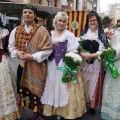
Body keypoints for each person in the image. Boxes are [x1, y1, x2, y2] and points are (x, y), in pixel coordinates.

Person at [41, 12, 89, 120]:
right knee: (52, 86)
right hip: (52, 65)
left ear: (66, 23)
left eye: (64, 21)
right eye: (60, 20)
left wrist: (70, 68)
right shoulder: (50, 34)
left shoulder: (69, 35)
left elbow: (72, 52)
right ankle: (56, 111)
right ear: (55, 21)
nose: (61, 23)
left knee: (65, 88)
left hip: (64, 65)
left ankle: (64, 112)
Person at [8, 4, 53, 120]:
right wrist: (17, 53)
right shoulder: (15, 30)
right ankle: (35, 113)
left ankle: (41, 115)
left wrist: (32, 56)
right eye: (25, 12)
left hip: (37, 67)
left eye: (30, 12)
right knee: (26, 92)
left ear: (34, 15)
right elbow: (10, 47)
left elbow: (48, 50)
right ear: (23, 15)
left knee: (38, 92)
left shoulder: (42, 30)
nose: (27, 14)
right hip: (22, 66)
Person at [79, 10, 108, 115]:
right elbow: (79, 47)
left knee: (93, 84)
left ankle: (92, 106)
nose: (92, 22)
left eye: (94, 20)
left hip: (96, 64)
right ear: (87, 22)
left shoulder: (102, 35)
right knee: (84, 83)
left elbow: (103, 51)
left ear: (98, 21)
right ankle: (83, 104)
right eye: (90, 20)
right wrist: (82, 54)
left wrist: (90, 56)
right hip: (83, 63)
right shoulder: (83, 33)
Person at [0, 17, 20, 119]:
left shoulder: (4, 32)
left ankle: (7, 112)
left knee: (4, 84)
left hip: (2, 61)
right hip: (2, 59)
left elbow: (10, 46)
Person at [101, 27, 120, 120]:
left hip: (116, 64)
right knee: (111, 88)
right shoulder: (116, 31)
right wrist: (108, 56)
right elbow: (112, 49)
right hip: (113, 64)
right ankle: (109, 113)